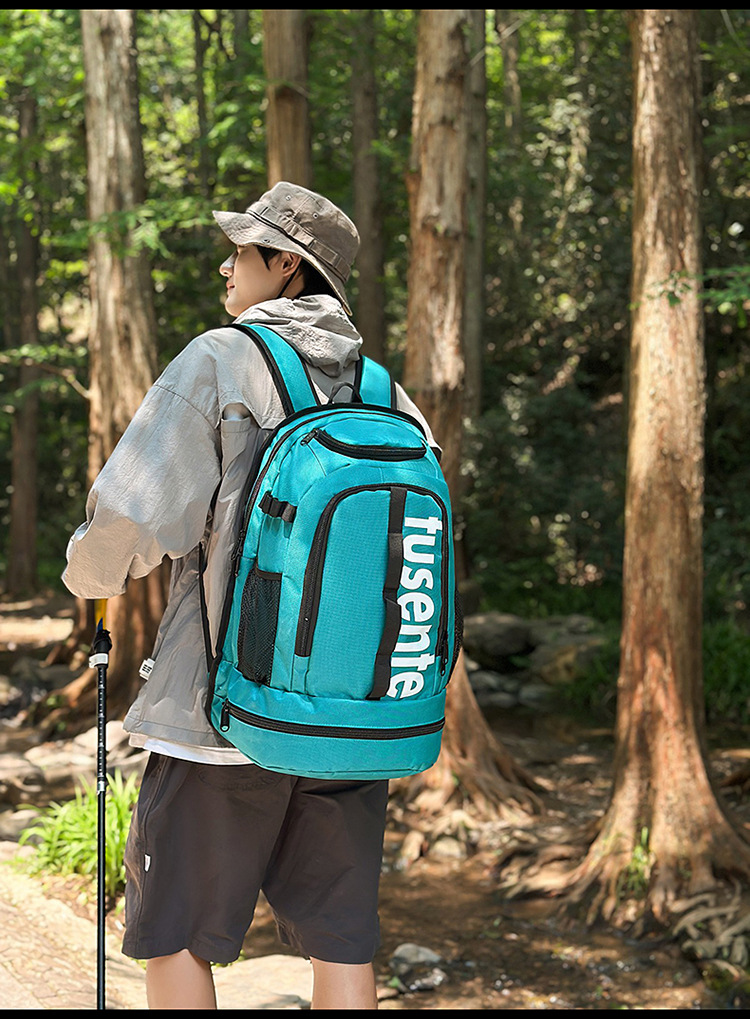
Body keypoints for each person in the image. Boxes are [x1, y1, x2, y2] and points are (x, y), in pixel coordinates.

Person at [62, 182, 438, 1010]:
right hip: (354, 723)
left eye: (242, 251)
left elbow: (131, 517)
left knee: (177, 935)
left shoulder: (221, 360)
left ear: (288, 265)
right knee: (342, 946)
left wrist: (86, 576)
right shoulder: (386, 393)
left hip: (222, 718)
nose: (226, 267)